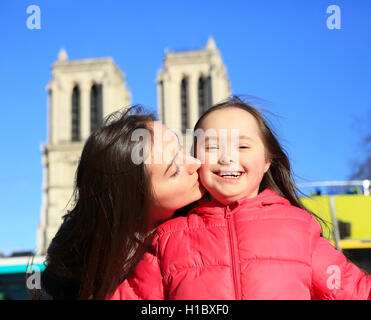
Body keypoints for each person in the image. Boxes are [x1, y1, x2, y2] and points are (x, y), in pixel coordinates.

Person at [110, 97, 371, 300]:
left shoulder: (298, 226)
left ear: (268, 160)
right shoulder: (167, 239)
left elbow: (354, 290)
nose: (226, 157)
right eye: (211, 147)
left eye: (242, 146)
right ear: (194, 160)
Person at [36, 105, 204, 300]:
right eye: (175, 170)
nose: (195, 163)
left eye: (181, 149)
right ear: (134, 199)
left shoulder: (218, 215)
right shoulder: (69, 272)